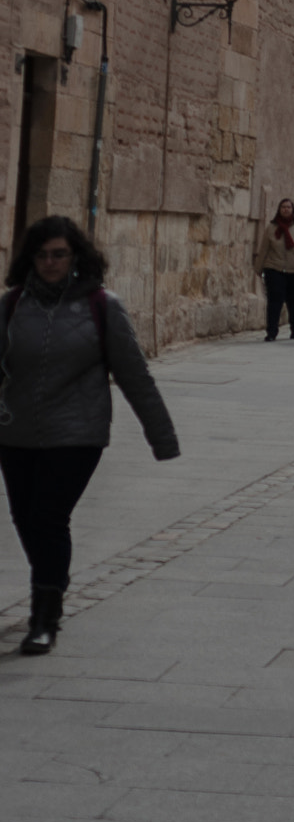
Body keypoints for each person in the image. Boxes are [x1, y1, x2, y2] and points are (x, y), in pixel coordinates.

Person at [0, 217, 179, 655]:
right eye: (42, 254)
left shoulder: (101, 305)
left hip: (77, 434)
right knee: (25, 520)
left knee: (48, 516)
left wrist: (162, 437)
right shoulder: (10, 306)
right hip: (15, 432)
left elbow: (135, 375)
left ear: (75, 255)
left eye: (59, 254)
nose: (50, 262)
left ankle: (45, 616)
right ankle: (52, 582)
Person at [253, 198, 294, 340]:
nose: (286, 209)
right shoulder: (271, 228)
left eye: (288, 207)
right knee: (274, 301)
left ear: (293, 210)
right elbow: (264, 249)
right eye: (283, 207)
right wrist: (259, 267)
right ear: (279, 210)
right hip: (274, 268)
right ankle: (272, 332)